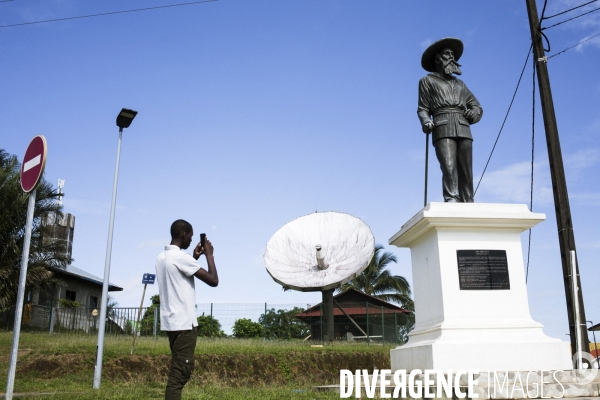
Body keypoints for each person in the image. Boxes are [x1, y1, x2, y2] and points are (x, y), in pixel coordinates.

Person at [155, 219, 219, 400]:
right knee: (180, 373)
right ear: (183, 234)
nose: (191, 240)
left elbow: (179, 273)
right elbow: (213, 280)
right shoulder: (181, 258)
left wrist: (194, 257)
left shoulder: (161, 257)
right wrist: (209, 255)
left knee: (179, 369)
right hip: (184, 325)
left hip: (171, 323)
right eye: (190, 236)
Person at [417, 37, 483, 203]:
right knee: (449, 166)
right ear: (438, 58)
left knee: (466, 169)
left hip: (463, 126)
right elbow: (423, 108)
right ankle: (452, 198)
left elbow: (477, 107)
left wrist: (472, 114)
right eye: (447, 54)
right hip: (442, 125)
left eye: (453, 55)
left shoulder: (461, 84)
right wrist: (426, 121)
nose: (452, 57)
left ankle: (468, 200)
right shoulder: (427, 81)